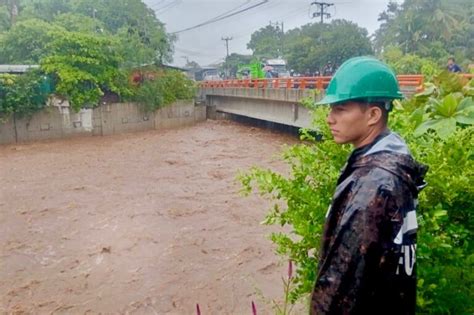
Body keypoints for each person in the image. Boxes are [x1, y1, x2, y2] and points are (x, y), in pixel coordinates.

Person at [310, 56, 428, 315]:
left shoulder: (374, 184)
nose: (330, 118)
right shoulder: (391, 164)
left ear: (373, 114)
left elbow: (341, 284)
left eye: (340, 109)